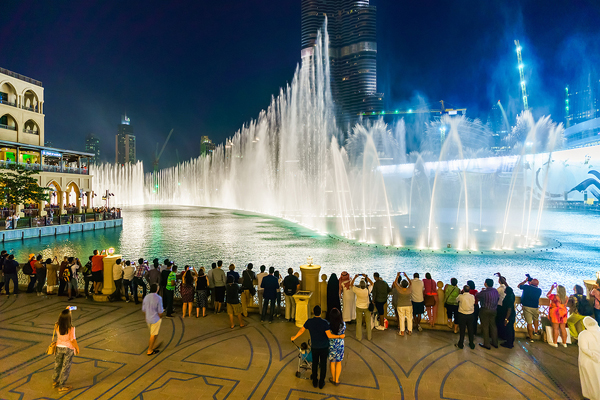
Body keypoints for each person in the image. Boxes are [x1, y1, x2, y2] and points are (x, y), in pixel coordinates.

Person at [291, 305, 345, 389]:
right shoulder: (325, 323)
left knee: (315, 364)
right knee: (323, 365)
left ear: (313, 312)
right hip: (324, 347)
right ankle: (321, 382)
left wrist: (294, 337)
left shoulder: (309, 322)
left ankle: (315, 382)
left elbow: (302, 330)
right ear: (321, 313)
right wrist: (340, 337)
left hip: (315, 347)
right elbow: (329, 335)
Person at [52, 308, 80, 392]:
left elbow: (63, 315)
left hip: (59, 347)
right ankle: (62, 386)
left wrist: (67, 310)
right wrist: (77, 348)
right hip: (68, 348)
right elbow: (73, 340)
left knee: (57, 364)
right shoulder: (71, 328)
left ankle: (54, 381)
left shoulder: (57, 325)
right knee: (65, 367)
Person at [578, 316, 600, 400]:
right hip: (598, 359)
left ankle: (590, 396)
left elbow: (584, 348)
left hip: (588, 360)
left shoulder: (583, 334)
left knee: (589, 378)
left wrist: (593, 356)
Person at [476, 278, 499, 350]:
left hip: (485, 310)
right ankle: (495, 342)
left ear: (486, 284)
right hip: (494, 310)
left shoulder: (484, 292)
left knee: (485, 327)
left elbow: (477, 295)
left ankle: (486, 344)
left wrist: (482, 290)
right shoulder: (495, 291)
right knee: (493, 326)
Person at [517, 275, 542, 342]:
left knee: (529, 323)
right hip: (535, 307)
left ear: (530, 282)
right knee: (536, 319)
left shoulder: (526, 287)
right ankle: (536, 331)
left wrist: (525, 281)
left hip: (527, 307)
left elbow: (519, 286)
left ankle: (531, 338)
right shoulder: (539, 290)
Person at [142, 284, 164, 356]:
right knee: (153, 335)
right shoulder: (158, 298)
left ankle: (153, 345)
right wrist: (160, 316)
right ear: (157, 289)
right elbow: (160, 311)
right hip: (155, 319)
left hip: (148, 318)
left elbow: (144, 309)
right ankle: (150, 350)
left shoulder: (146, 297)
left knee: (154, 333)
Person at [351, 273, 373, 341]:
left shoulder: (357, 290)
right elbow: (372, 283)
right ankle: (369, 337)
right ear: (366, 285)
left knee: (359, 322)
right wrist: (366, 277)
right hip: (366, 307)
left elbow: (351, 285)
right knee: (368, 322)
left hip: (359, 307)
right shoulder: (368, 290)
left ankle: (359, 337)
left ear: (360, 285)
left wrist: (355, 277)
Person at [547, 283, 569, 347]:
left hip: (555, 313)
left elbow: (547, 295)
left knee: (555, 328)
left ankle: (555, 342)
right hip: (563, 313)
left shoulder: (554, 296)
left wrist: (552, 288)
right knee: (563, 328)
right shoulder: (566, 297)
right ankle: (564, 343)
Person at [328, 308, 345, 386]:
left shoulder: (329, 325)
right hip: (340, 345)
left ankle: (333, 378)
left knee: (332, 362)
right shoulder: (343, 325)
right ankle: (337, 380)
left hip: (332, 345)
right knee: (339, 362)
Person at [456, 285, 476, 349]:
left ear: (463, 290)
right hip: (470, 314)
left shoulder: (461, 296)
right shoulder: (472, 296)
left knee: (462, 330)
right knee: (470, 329)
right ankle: (471, 343)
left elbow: (456, 300)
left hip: (462, 314)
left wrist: (460, 293)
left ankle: (461, 344)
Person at [495, 273, 508, 340]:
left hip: (500, 306)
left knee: (499, 321)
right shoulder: (507, 288)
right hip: (506, 306)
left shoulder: (499, 289)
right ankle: (504, 335)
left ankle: (500, 335)